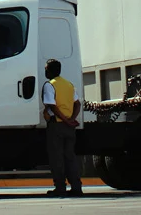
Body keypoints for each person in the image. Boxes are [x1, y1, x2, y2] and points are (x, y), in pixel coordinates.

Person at [41, 58, 83, 197]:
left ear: (50, 70)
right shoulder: (69, 85)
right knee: (70, 157)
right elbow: (78, 104)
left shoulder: (49, 85)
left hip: (56, 126)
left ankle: (60, 187)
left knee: (56, 158)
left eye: (46, 68)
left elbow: (52, 106)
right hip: (69, 128)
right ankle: (76, 187)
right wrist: (71, 119)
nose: (45, 71)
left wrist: (65, 120)